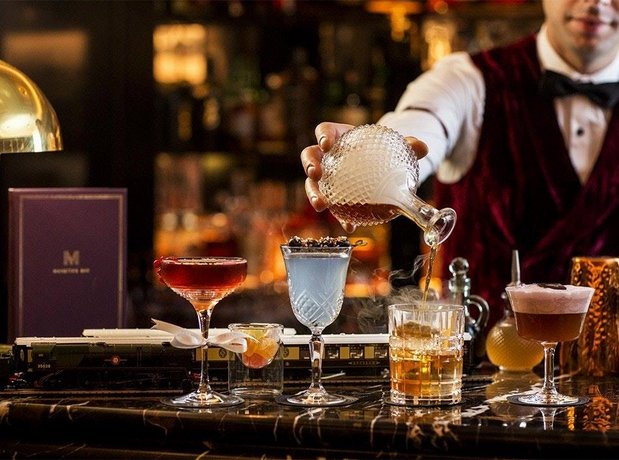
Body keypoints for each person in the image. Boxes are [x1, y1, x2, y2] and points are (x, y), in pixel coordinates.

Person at [301, 0, 619, 328]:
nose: (596, 3)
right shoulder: (468, 78)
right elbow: (422, 122)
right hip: (481, 353)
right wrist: (370, 155)